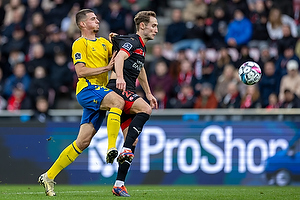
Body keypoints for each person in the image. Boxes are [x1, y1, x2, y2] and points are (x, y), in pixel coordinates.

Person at [38, 9, 125, 196]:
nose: (97, 20)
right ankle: (111, 147)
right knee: (117, 101)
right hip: (87, 90)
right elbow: (81, 72)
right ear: (82, 24)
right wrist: (107, 68)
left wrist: (117, 41)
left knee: (83, 141)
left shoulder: (103, 43)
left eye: (97, 17)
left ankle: (49, 176)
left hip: (99, 93)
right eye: (93, 19)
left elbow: (120, 56)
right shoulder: (80, 43)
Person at [106, 10, 158, 197]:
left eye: (157, 26)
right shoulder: (134, 41)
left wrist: (149, 92)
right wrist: (119, 77)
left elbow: (140, 69)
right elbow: (120, 57)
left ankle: (119, 184)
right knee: (145, 108)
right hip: (119, 89)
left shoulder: (141, 47)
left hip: (128, 90)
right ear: (142, 26)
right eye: (153, 25)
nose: (156, 30)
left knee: (133, 139)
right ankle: (125, 149)